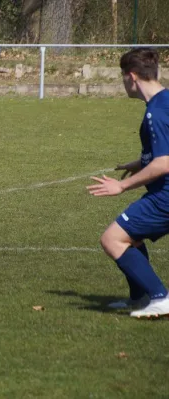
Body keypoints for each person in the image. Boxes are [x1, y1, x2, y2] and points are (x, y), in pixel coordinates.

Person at [87, 48, 169, 319]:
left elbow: (164, 163)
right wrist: (141, 162)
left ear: (132, 77)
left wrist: (122, 186)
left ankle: (160, 297)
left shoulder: (155, 113)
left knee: (112, 239)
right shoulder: (165, 101)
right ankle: (140, 297)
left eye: (122, 77)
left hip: (165, 196)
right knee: (130, 236)